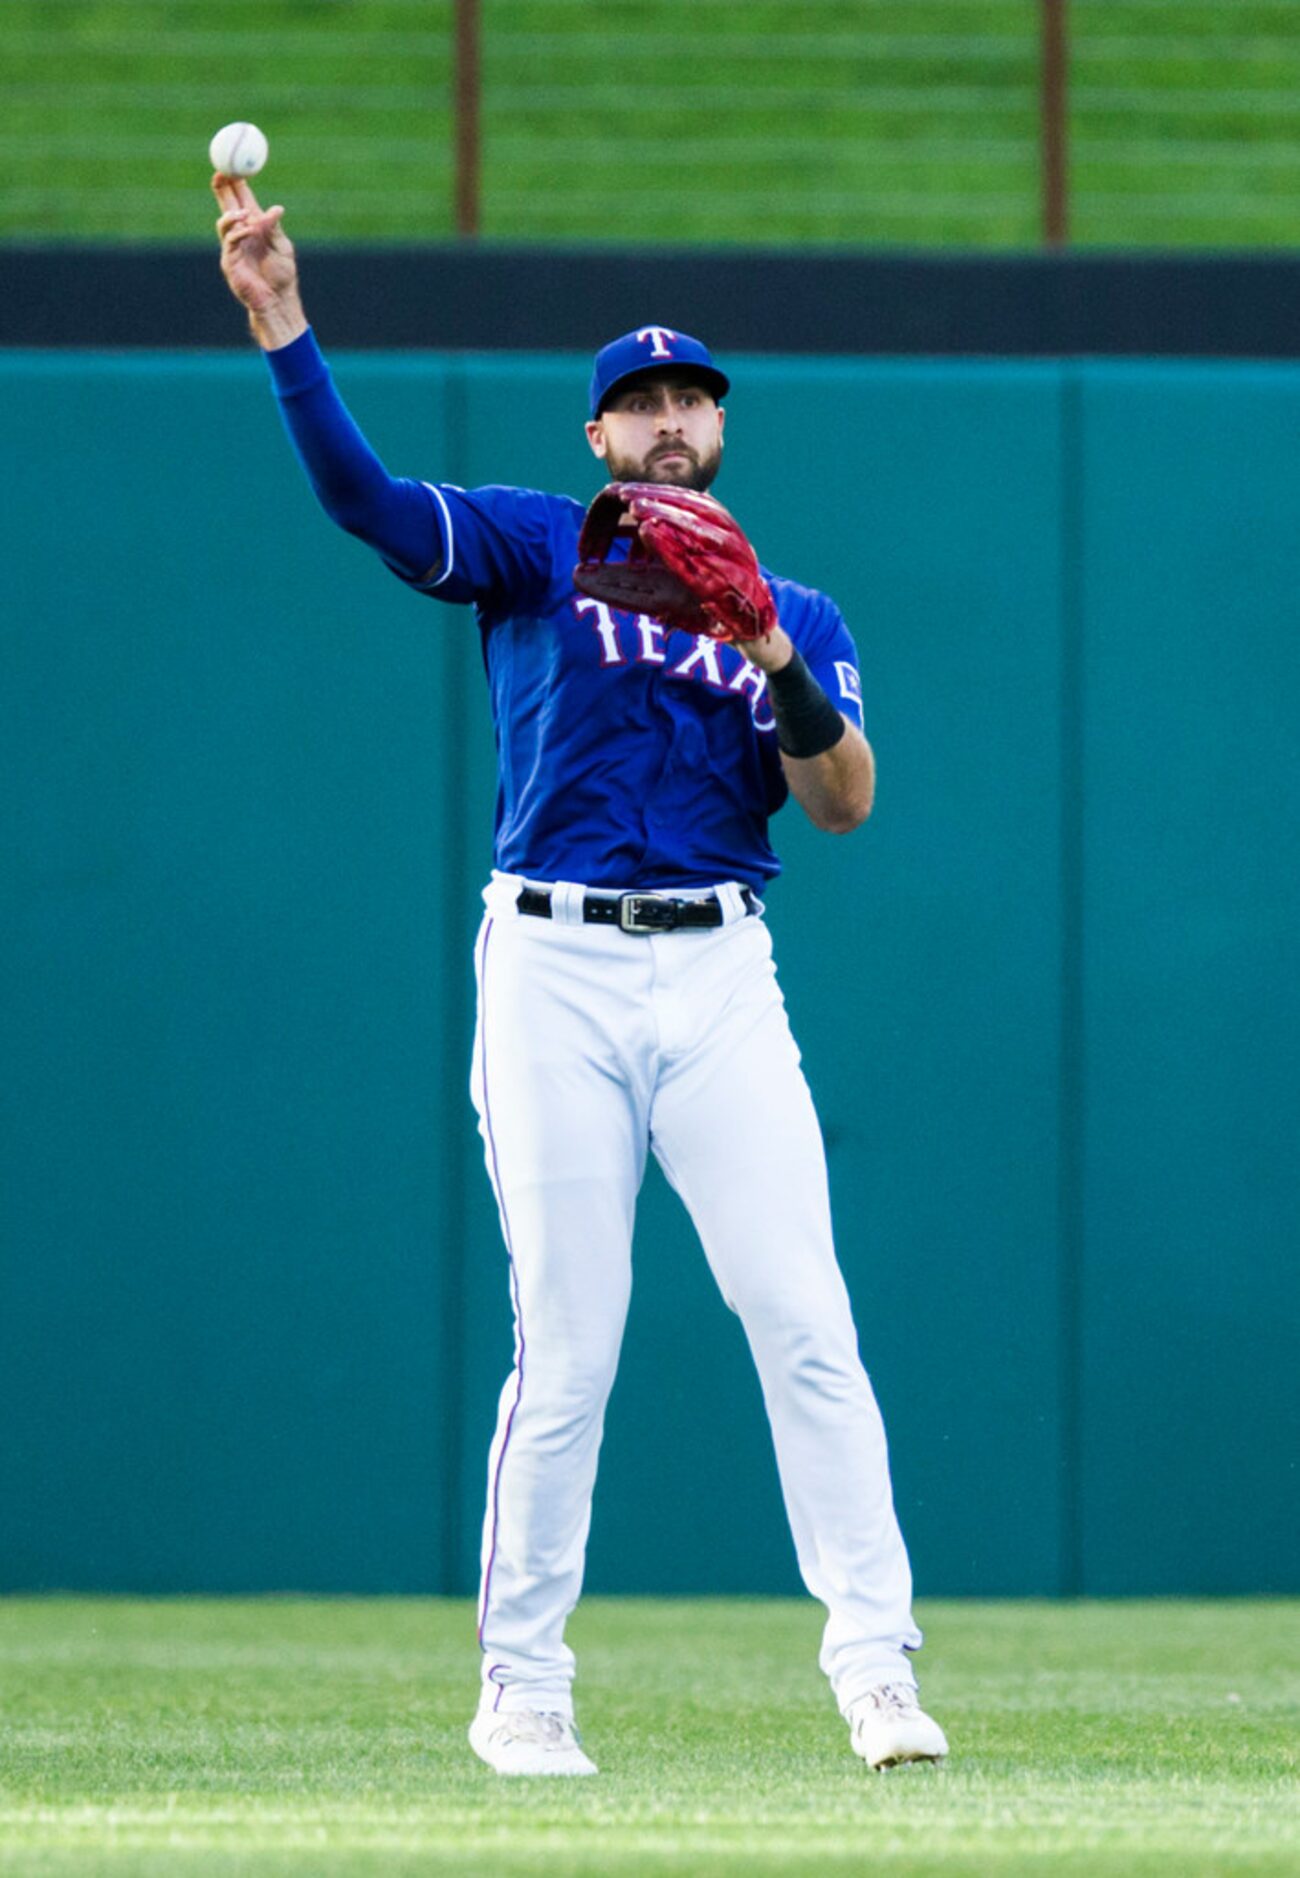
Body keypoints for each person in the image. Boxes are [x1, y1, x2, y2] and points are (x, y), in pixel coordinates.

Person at [212, 173, 949, 1777]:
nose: (670, 422)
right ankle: (523, 1686)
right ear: (599, 439)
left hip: (721, 977)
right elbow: (370, 506)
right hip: (552, 966)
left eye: (692, 399)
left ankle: (878, 1671)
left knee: (805, 1317)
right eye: (640, 404)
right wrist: (284, 326)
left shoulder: (795, 611)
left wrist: (767, 658)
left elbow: (844, 801)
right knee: (574, 1344)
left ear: (721, 428)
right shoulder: (543, 550)